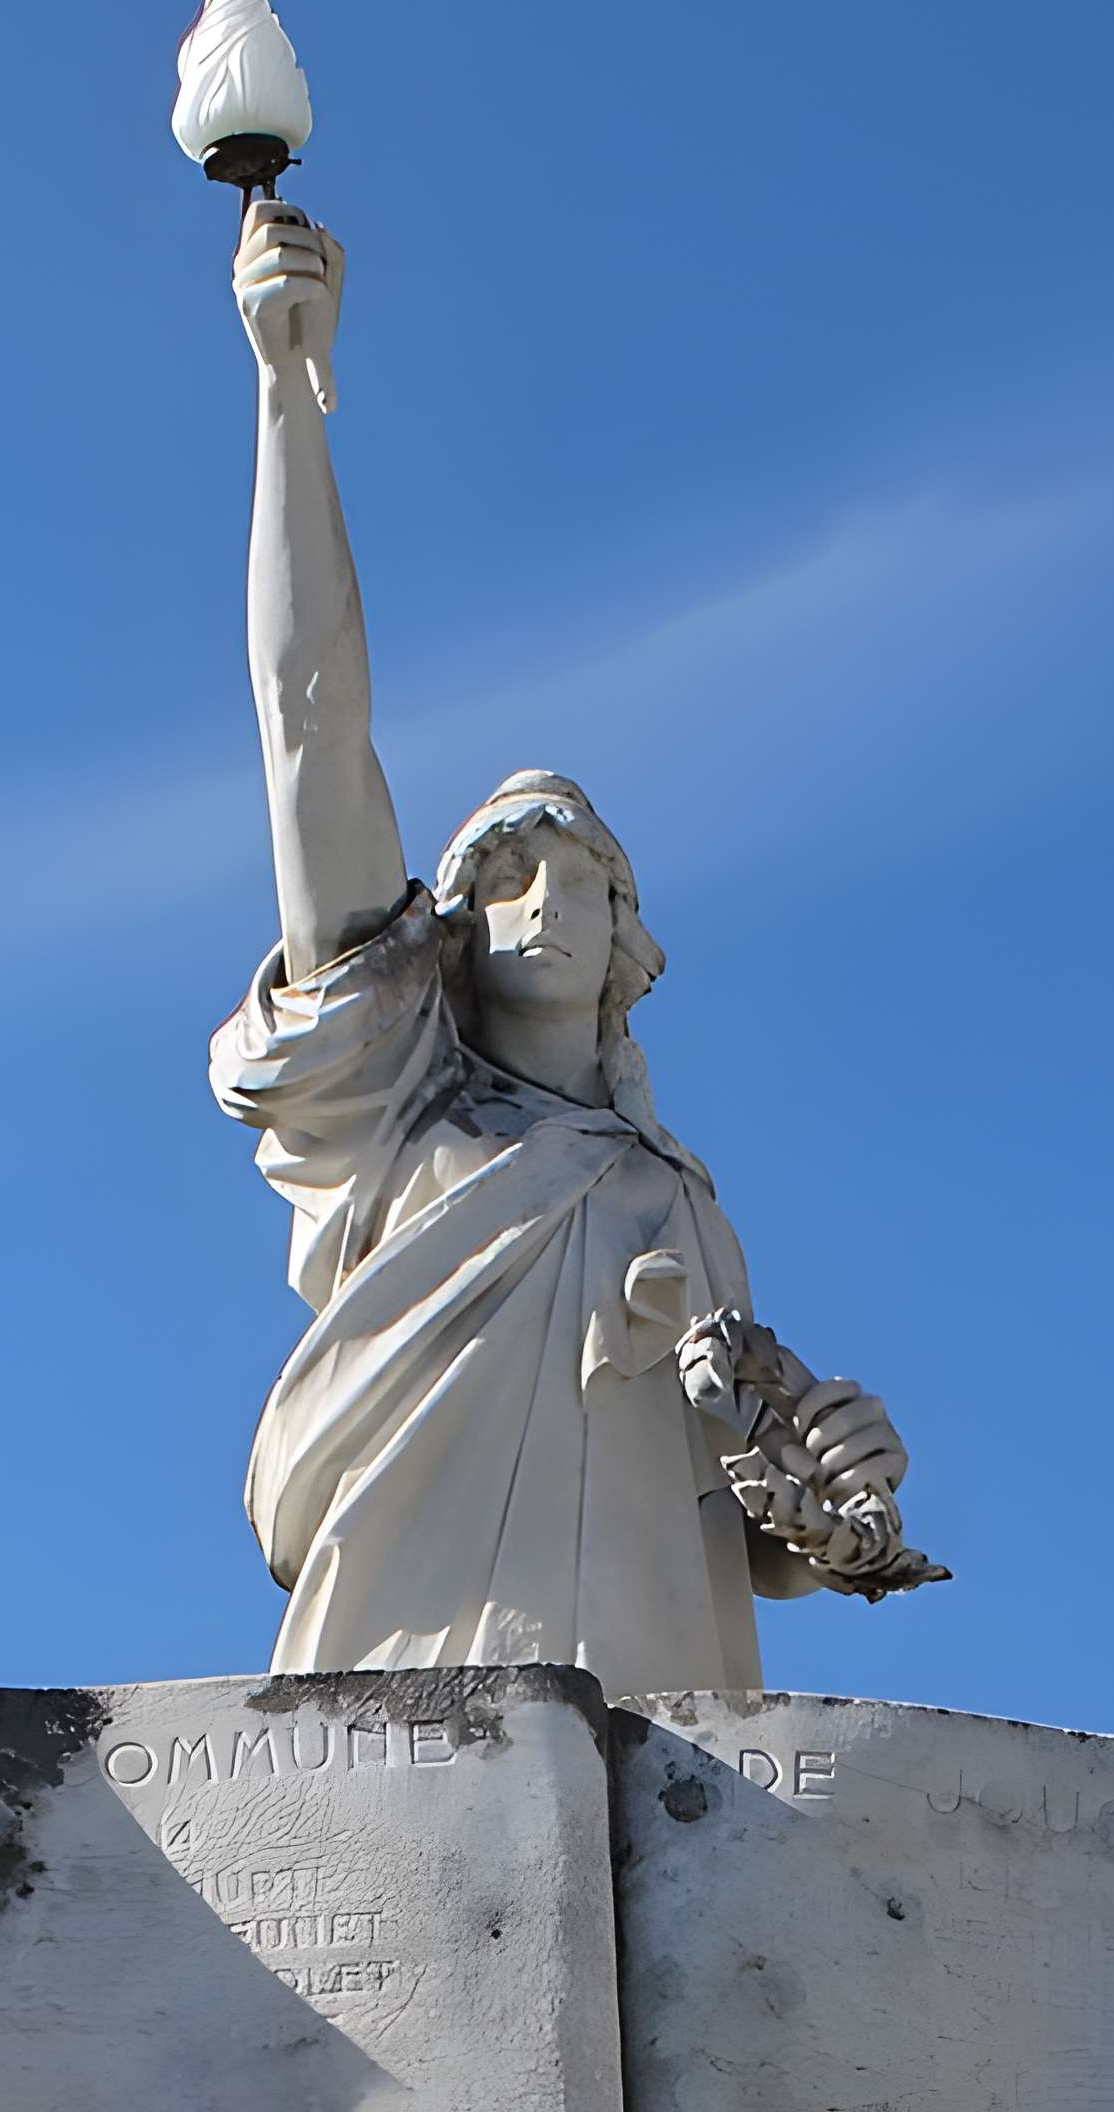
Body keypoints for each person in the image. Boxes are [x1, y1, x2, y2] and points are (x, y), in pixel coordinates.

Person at [210, 200, 910, 1695]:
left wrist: (832, 1501)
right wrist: (286, 391)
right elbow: (312, 730)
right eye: (500, 876)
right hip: (407, 1688)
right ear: (451, 933)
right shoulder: (401, 1115)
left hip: (659, 1725)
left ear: (626, 941)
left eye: (572, 876)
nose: (534, 902)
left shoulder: (677, 1203)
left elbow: (723, 1510)